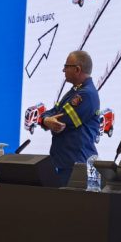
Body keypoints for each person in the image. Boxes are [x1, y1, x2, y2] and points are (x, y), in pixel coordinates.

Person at [41, 50, 100, 186]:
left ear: (77, 69)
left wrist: (48, 120)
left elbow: (61, 120)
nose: (63, 70)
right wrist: (45, 120)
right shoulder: (74, 91)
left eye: (66, 66)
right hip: (66, 163)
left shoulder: (86, 94)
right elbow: (52, 112)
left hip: (77, 166)